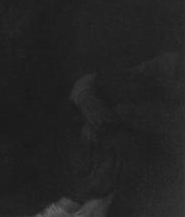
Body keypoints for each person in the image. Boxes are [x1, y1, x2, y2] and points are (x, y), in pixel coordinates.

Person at [32, 50, 184, 217]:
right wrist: (85, 95)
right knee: (103, 125)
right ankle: (84, 201)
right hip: (122, 144)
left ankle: (82, 202)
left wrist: (121, 115)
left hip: (158, 154)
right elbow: (106, 81)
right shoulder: (172, 63)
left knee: (124, 136)